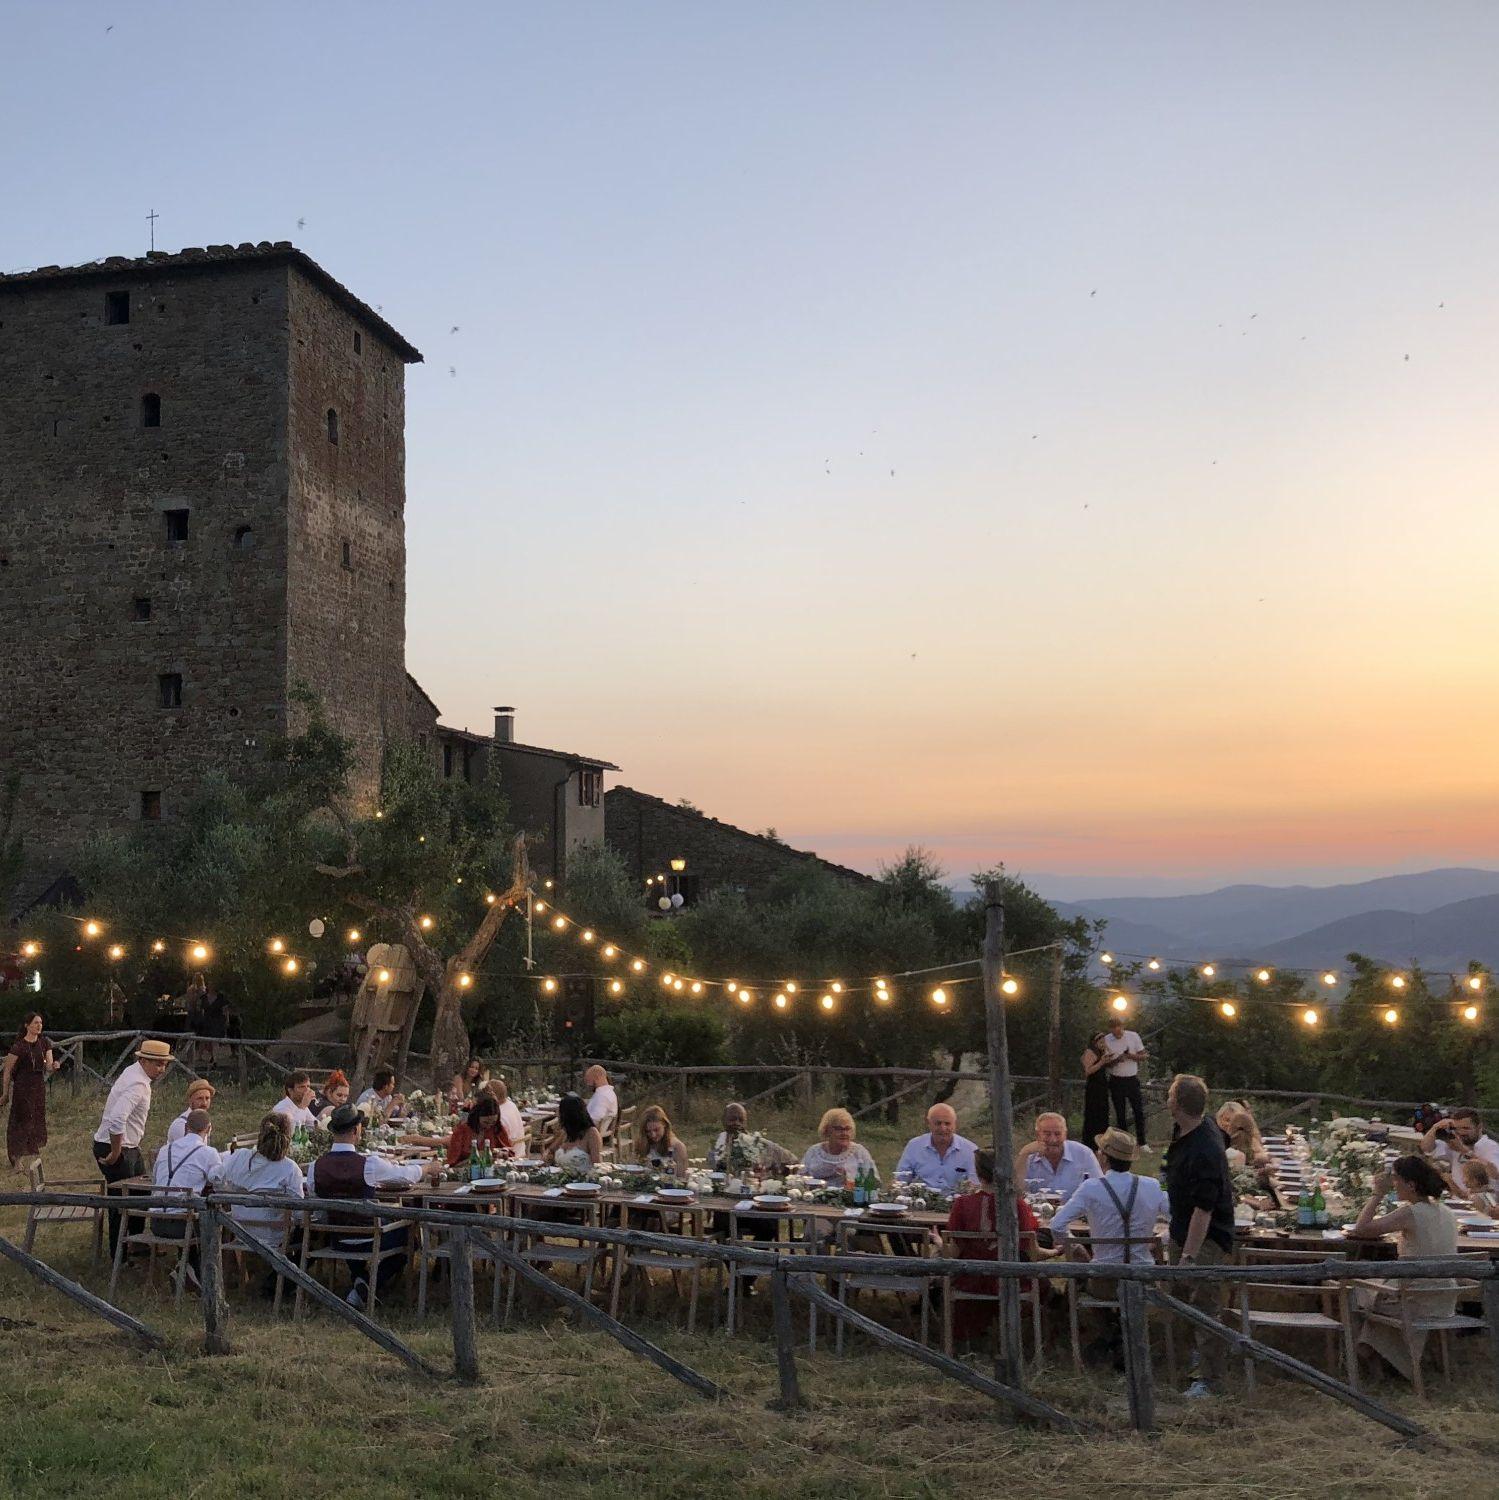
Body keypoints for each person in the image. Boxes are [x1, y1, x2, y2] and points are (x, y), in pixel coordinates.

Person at [305, 1103, 442, 1309]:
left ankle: (360, 1278)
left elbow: (316, 1202)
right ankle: (370, 1284)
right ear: (356, 1131)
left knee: (352, 1223)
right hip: (370, 1237)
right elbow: (404, 1176)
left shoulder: (315, 1167)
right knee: (410, 1235)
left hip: (336, 1238)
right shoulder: (369, 1165)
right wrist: (428, 1168)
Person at [1049, 1127, 1168, 1362]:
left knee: (1081, 1280)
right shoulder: (1152, 1186)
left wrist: (1076, 1246)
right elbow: (1180, 1221)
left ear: (1103, 1157)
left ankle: (1107, 1334)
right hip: (1144, 1278)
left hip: (1105, 1280)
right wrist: (1157, 1242)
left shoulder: (1091, 1187)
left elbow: (1056, 1225)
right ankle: (1121, 1336)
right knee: (1091, 1277)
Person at [1347, 1155, 1460, 1382]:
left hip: (1416, 1300)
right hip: (1444, 1297)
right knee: (1376, 1288)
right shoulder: (1446, 1211)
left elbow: (1361, 1228)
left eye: (1396, 1179)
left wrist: (1377, 1194)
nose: (1393, 1183)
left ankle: (1365, 1355)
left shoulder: (1411, 1213)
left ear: (1411, 1185)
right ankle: (1377, 1354)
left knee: (1352, 1287)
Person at [1162, 1072, 1236, 1400]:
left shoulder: (1206, 1147)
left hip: (1205, 1238)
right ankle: (1188, 1365)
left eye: (1170, 1095)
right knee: (1179, 1302)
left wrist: (1189, 1257)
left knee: (1204, 1305)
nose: (1167, 1099)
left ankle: (1211, 1380)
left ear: (1177, 1104)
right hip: (1182, 1229)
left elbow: (1204, 1210)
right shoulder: (1189, 1128)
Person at [940, 1149, 1043, 1342]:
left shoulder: (962, 1204)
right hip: (1010, 1278)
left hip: (971, 1278)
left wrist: (938, 1243)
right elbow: (1033, 1252)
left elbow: (953, 1252)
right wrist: (1057, 1251)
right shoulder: (1017, 1205)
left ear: (978, 1173)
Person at [93, 1038, 174, 1253]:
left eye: (164, 1064)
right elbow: (116, 1119)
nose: (162, 1069)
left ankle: (136, 1243)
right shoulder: (137, 1084)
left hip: (128, 1145)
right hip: (115, 1146)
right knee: (121, 1202)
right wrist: (115, 1152)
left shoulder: (135, 1073)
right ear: (144, 1061)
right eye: (158, 1064)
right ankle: (118, 1253)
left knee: (141, 1193)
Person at [1, 1012, 57, 1172]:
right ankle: (16, 1159)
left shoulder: (44, 1043)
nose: (39, 1026)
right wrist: (5, 1094)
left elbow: (48, 1066)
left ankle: (31, 1155)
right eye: (35, 1023)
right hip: (22, 1088)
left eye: (40, 1023)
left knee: (34, 1121)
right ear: (27, 1025)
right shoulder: (19, 1046)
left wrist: (54, 1066)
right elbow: (7, 1070)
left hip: (38, 1088)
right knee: (21, 1122)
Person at [1016, 1112, 1101, 1200]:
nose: (1053, 1140)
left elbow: (1099, 1189)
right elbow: (1016, 1192)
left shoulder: (1083, 1154)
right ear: (1037, 1135)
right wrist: (1024, 1153)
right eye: (1047, 1134)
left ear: (1065, 1135)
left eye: (1058, 1134)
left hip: (1076, 1208)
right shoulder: (1029, 1156)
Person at [894, 1104, 978, 1192]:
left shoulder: (970, 1150)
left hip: (959, 1199)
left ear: (955, 1124)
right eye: (938, 1123)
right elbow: (901, 1179)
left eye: (947, 1123)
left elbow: (976, 1185)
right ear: (929, 1124)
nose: (943, 1128)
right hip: (922, 1198)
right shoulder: (914, 1146)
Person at [1421, 1107, 1499, 1195]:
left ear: (1479, 1127)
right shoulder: (1456, 1142)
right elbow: (1426, 1148)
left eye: (1466, 1128)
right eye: (1457, 1128)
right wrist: (1435, 1127)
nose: (1461, 1132)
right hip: (1458, 1197)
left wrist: (1463, 1151)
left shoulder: (1490, 1146)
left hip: (1483, 1199)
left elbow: (1495, 1173)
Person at [706, 1102, 797, 1174]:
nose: (737, 1123)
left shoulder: (761, 1144)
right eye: (732, 1119)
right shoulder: (716, 1145)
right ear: (723, 1121)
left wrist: (776, 1175)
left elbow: (794, 1162)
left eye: (741, 1120)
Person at [1102, 1015, 1149, 1149]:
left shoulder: (1133, 1036)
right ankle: (1124, 1142)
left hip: (1131, 1078)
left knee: (1138, 1110)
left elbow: (1144, 1055)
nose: (1117, 1032)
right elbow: (1106, 1064)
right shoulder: (1107, 1040)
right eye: (1114, 1030)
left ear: (1122, 1027)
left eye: (1119, 1029)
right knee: (1120, 1113)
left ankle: (1142, 1142)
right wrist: (1117, 1060)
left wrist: (1129, 1056)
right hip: (1116, 1079)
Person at [801, 1108, 879, 1186]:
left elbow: (874, 1183)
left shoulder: (859, 1152)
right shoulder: (814, 1152)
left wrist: (849, 1179)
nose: (844, 1133)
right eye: (839, 1129)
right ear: (827, 1130)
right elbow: (800, 1179)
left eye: (847, 1129)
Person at [446, 1094, 510, 1168]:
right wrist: (478, 1156)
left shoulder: (496, 1128)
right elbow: (452, 1164)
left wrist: (503, 1153)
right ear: (476, 1117)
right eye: (485, 1122)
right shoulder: (462, 1131)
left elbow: (508, 1150)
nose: (489, 1126)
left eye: (493, 1122)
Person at [544, 1093, 602, 1170]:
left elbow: (597, 1165)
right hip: (561, 1174)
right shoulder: (566, 1133)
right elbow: (550, 1150)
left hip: (583, 1176)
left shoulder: (591, 1133)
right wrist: (547, 1156)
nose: (558, 1115)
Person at [634, 1105, 690, 1176]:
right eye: (648, 1131)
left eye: (656, 1130)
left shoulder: (678, 1147)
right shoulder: (641, 1144)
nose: (653, 1135)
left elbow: (681, 1177)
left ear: (664, 1124)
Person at [1080, 1031, 1113, 1147]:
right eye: (1101, 1042)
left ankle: (1102, 1139)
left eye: (1104, 1041)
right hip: (1093, 1087)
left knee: (1103, 1113)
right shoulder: (1090, 1052)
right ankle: (1090, 1141)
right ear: (1095, 1042)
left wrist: (1106, 1048)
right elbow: (1088, 1071)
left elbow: (1111, 1056)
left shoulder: (1102, 1052)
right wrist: (1101, 1062)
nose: (1103, 1044)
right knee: (1093, 1113)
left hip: (1102, 1086)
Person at [165, 1078, 217, 1143]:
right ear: (190, 1100)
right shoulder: (181, 1124)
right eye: (199, 1098)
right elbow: (187, 1148)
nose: (204, 1103)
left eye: (207, 1098)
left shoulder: (206, 1121)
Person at [484, 1077, 527, 1155]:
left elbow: (498, 1142)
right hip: (520, 1150)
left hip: (511, 1155)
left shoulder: (499, 1116)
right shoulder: (510, 1104)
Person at [583, 1064, 618, 1135]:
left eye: (589, 1080)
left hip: (591, 1134)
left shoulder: (602, 1097)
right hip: (594, 1131)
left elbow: (594, 1121)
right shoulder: (606, 1092)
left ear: (597, 1077)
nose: (588, 1085)